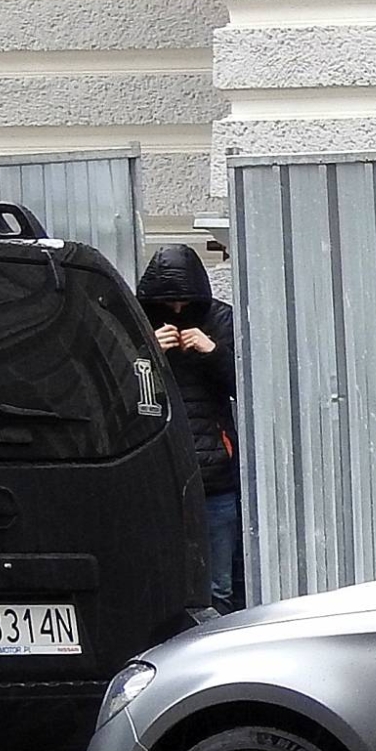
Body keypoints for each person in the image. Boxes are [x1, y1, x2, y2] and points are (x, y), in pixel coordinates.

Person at [137, 244, 240, 613]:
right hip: (155, 474)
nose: (177, 311)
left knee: (219, 585)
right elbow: (112, 389)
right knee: (158, 579)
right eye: (168, 303)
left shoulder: (220, 319)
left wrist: (212, 350)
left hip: (214, 475)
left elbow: (244, 388)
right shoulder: (135, 322)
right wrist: (148, 351)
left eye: (184, 302)